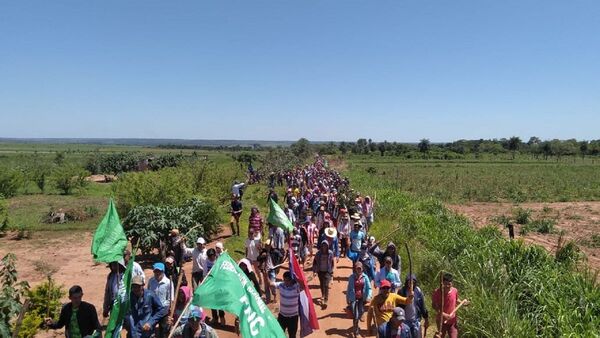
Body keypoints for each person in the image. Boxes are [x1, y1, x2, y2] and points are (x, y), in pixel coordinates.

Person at [432, 273, 469, 338]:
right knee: (440, 336)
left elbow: (456, 300)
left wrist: (463, 303)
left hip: (452, 321)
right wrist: (443, 314)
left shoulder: (455, 291)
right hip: (441, 321)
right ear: (442, 283)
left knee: (453, 336)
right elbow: (434, 306)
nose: (447, 286)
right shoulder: (437, 292)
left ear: (452, 283)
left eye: (449, 284)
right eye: (445, 284)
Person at [271, 271, 306, 338]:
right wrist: (266, 275)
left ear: (292, 280)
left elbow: (304, 285)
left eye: (287, 280)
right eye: (284, 280)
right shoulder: (281, 285)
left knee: (292, 336)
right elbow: (271, 284)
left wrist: (296, 278)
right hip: (282, 317)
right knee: (278, 334)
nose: (286, 282)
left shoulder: (297, 287)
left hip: (293, 318)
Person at [147, 262, 173, 338]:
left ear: (163, 271)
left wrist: (165, 307)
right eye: (155, 271)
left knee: (164, 330)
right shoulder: (151, 281)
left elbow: (170, 298)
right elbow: (148, 293)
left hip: (163, 309)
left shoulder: (168, 282)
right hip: (153, 309)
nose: (157, 273)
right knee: (150, 329)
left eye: (159, 271)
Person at [346, 262, 372, 337]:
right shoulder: (351, 277)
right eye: (357, 268)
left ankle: (360, 316)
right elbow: (348, 288)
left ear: (362, 268)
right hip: (353, 298)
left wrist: (369, 296)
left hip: (362, 298)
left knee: (360, 312)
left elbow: (369, 288)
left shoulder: (365, 277)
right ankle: (356, 331)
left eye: (360, 268)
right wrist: (347, 298)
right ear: (355, 269)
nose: (359, 270)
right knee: (356, 315)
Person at [202, 248, 226, 325]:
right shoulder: (206, 262)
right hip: (211, 284)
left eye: (212, 256)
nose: (211, 258)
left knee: (220, 301)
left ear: (215, 255)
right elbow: (205, 273)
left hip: (219, 284)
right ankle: (215, 318)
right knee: (212, 302)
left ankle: (222, 317)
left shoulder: (219, 261)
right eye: (210, 256)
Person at [312, 240, 334, 309]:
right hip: (320, 271)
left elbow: (332, 262)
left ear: (327, 246)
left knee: (326, 285)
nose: (324, 247)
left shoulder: (330, 253)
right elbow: (315, 262)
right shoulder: (318, 253)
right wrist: (314, 271)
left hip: (327, 271)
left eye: (325, 246)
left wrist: (332, 270)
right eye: (323, 245)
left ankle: (326, 299)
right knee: (321, 284)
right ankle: (323, 294)